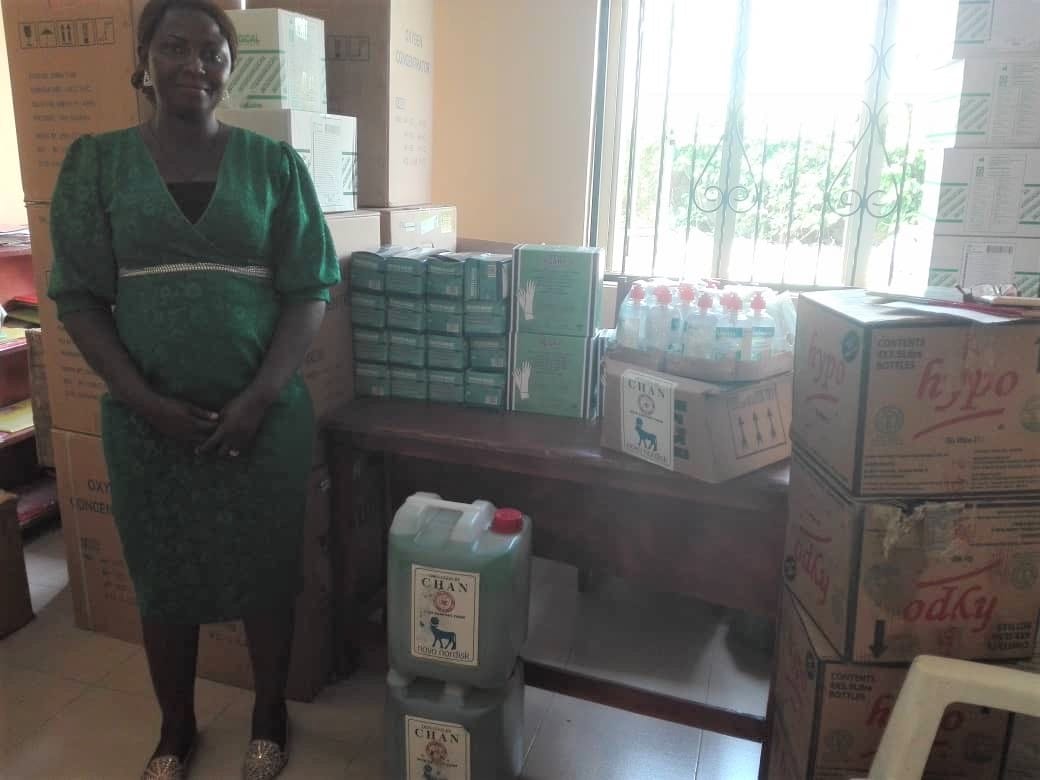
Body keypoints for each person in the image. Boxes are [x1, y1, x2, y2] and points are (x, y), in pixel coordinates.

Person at [47, 1, 339, 777]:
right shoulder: (96, 163)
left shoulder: (275, 166)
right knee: (163, 577)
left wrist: (256, 400)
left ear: (229, 67)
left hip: (263, 420)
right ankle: (175, 728)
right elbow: (77, 296)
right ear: (143, 57)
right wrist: (145, 402)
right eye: (174, 47)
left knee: (267, 573)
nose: (195, 64)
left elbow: (311, 288)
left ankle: (268, 711)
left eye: (212, 51)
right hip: (147, 427)